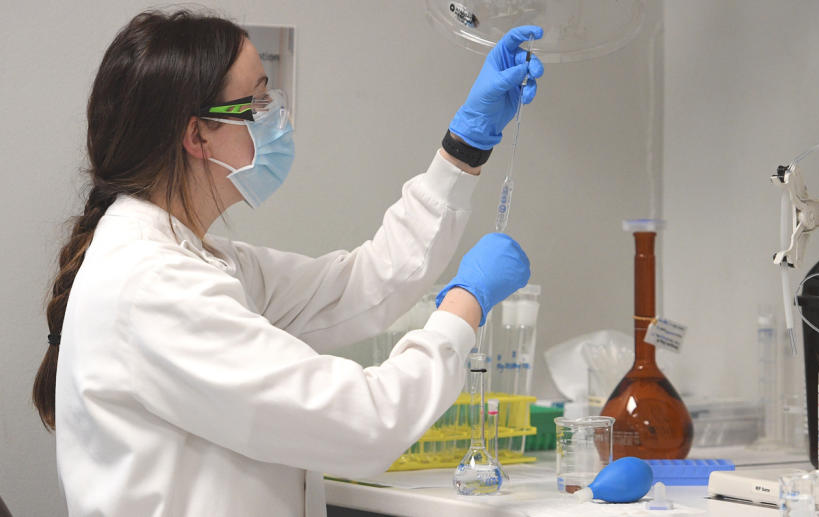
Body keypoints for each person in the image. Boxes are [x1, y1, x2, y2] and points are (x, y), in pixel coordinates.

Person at [31, 9, 544, 517]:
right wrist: (464, 306)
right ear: (197, 137)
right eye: (256, 101)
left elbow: (362, 284)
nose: (278, 114)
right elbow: (367, 423)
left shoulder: (198, 260)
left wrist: (465, 148)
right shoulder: (152, 286)